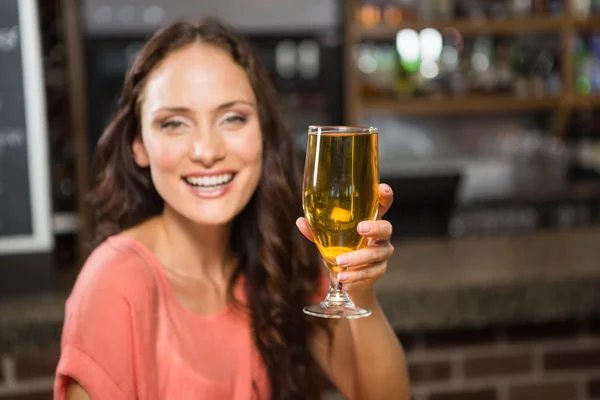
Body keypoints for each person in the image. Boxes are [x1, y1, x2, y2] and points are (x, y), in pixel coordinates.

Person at [54, 17, 410, 400]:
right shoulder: (113, 284)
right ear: (138, 145)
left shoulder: (281, 259)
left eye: (232, 118)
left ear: (263, 131)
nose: (207, 151)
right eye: (174, 123)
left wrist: (361, 289)